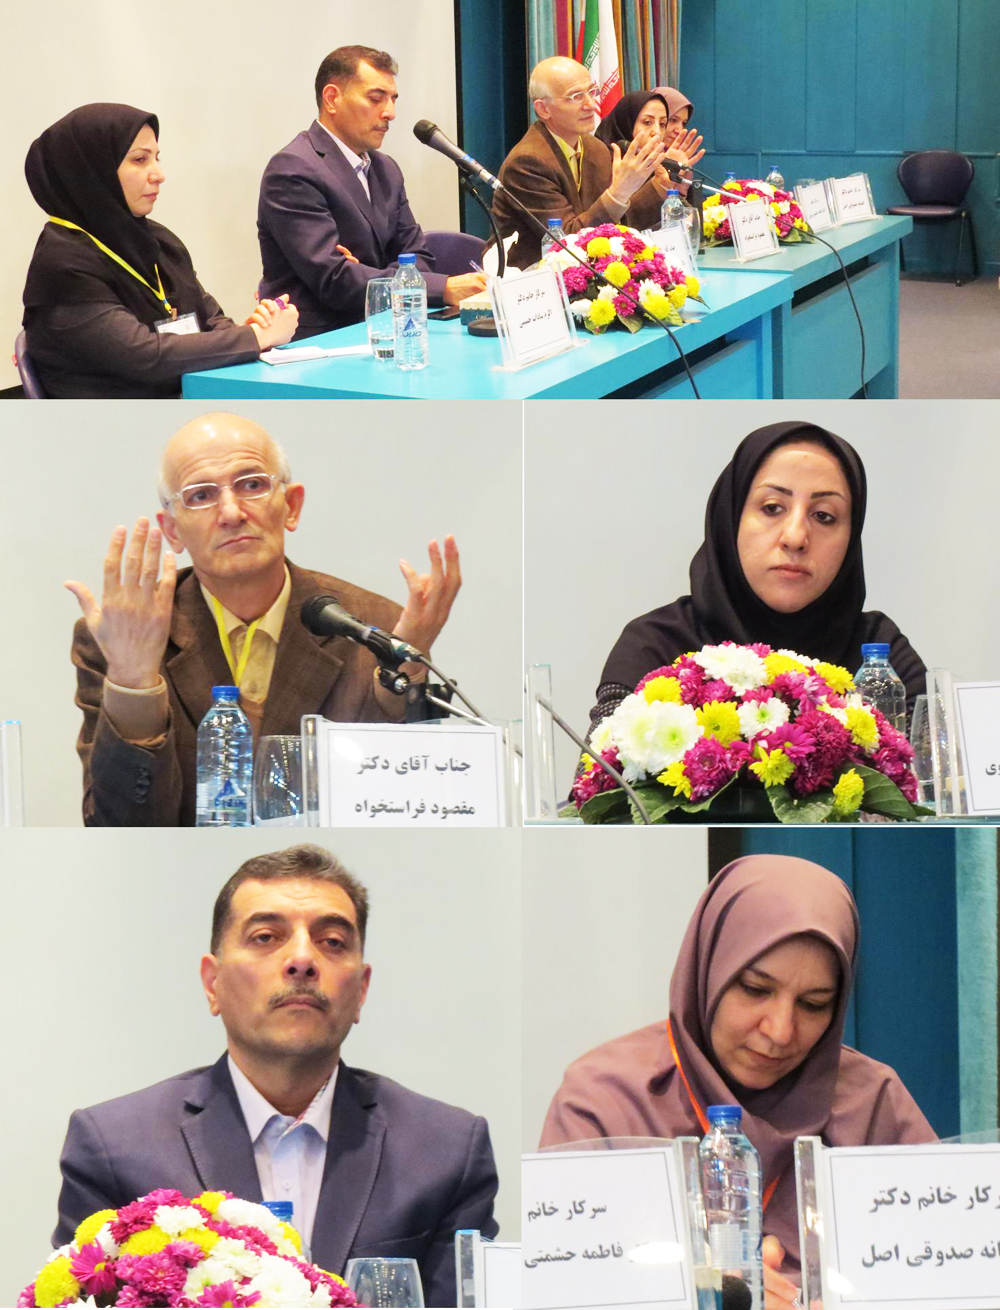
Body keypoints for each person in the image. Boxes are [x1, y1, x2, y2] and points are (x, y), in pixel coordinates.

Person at [53, 844, 499, 1308]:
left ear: (361, 990)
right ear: (213, 983)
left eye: (332, 942)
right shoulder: (114, 1148)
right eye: (266, 937)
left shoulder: (446, 1150)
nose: (302, 959)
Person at [540, 853, 936, 1305]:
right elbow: (564, 1286)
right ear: (709, 969)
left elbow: (946, 1274)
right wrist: (698, 1295)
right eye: (755, 989)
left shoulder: (872, 1103)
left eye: (813, 1004)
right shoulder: (605, 1101)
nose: (780, 1031)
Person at [66, 412, 461, 826]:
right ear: (173, 531)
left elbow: (400, 809)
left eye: (252, 485)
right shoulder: (120, 638)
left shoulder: (372, 626)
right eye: (201, 495)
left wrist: (406, 673)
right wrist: (134, 683)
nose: (231, 513)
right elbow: (115, 824)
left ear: (291, 505)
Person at [590, 421, 927, 734]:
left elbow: (931, 773)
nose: (795, 537)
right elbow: (599, 775)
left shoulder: (880, 659)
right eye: (772, 508)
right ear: (731, 519)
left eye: (824, 516)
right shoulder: (655, 647)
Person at [22, 103, 298, 398]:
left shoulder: (158, 240)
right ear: (91, 170)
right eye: (140, 159)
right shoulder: (62, 264)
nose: (159, 174)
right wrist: (253, 338)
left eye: (156, 158)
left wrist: (250, 330)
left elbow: (210, 318)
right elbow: (142, 355)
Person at [257, 45, 486, 338]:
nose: (390, 113)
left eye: (393, 99)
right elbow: (334, 279)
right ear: (332, 99)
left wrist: (367, 272)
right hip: (320, 340)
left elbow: (418, 256)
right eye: (376, 99)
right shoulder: (294, 169)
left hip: (387, 328)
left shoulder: (385, 168)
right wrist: (442, 287)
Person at [492, 57, 704, 269]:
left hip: (586, 274)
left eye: (592, 92)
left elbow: (617, 225)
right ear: (543, 109)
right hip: (531, 278)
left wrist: (661, 184)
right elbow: (567, 242)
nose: (592, 105)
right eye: (576, 97)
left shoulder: (595, 148)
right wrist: (618, 194)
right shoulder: (527, 162)